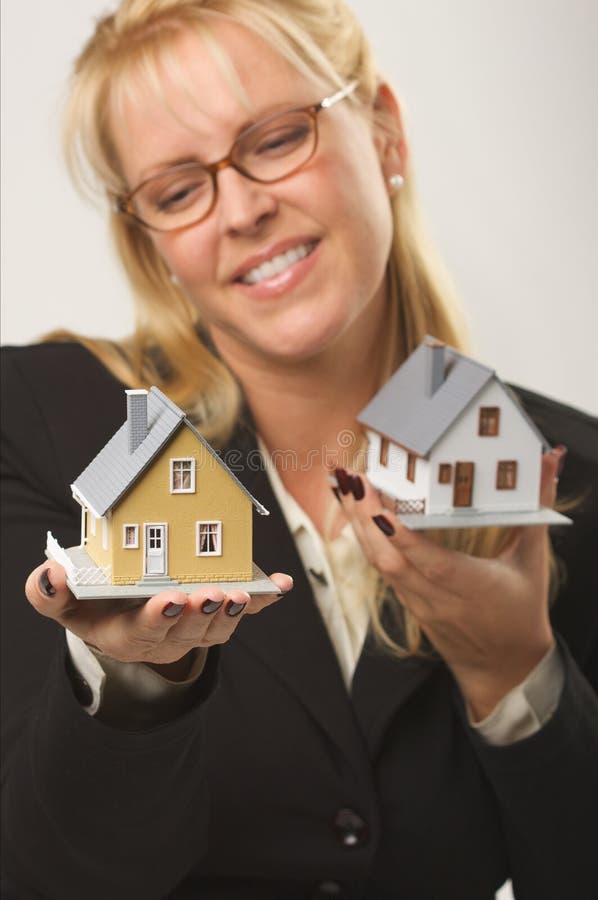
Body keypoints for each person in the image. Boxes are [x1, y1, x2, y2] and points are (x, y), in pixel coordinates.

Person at [1, 1, 597, 898]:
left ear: (385, 132)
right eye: (178, 191)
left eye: (278, 139)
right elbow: (40, 875)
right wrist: (130, 683)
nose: (243, 210)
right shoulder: (42, 422)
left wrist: (517, 674)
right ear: (154, 246)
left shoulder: (559, 473)